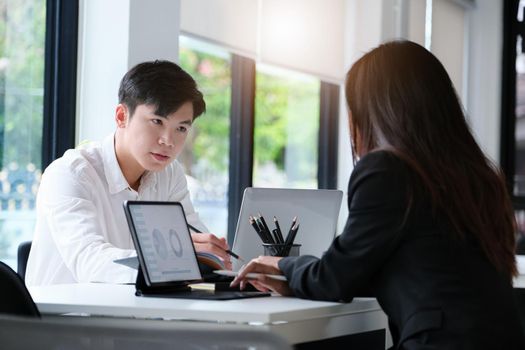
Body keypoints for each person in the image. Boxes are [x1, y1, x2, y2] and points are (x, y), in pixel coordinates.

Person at [231, 41, 525, 349]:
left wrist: (281, 264)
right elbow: (419, 270)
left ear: (372, 110)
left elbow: (334, 279)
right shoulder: (477, 175)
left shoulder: (388, 169)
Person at [26, 60, 231, 286]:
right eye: (157, 121)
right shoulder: (69, 174)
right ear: (122, 116)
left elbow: (196, 241)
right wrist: (172, 263)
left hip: (136, 312)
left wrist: (212, 256)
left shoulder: (170, 175)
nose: (168, 141)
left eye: (181, 128)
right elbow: (89, 262)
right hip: (64, 317)